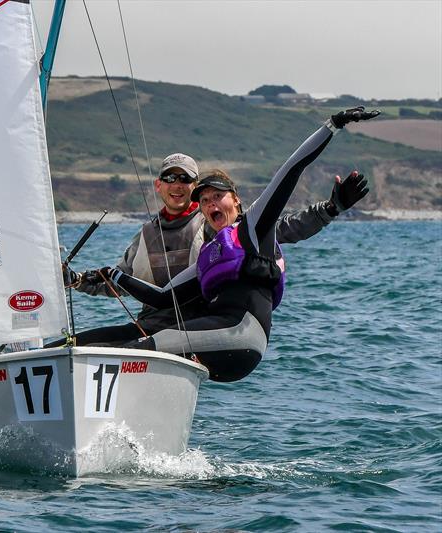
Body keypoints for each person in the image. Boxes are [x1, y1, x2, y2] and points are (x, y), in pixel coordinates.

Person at [100, 107, 379, 382]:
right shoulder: (210, 257)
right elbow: (161, 298)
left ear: (235, 200)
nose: (210, 204)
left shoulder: (253, 227)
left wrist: (332, 124)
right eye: (204, 201)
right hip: (218, 347)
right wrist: (114, 275)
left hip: (241, 335)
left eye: (217, 196)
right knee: (119, 342)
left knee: (143, 347)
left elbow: (292, 168)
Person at [54, 127, 370, 348]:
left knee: (131, 348)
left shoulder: (216, 229)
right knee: (70, 345)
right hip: (147, 324)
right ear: (158, 185)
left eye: (186, 180)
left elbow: (286, 226)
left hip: (190, 330)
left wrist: (330, 209)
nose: (177, 185)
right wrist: (76, 280)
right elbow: (117, 281)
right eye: (170, 178)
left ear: (195, 189)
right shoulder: (145, 236)